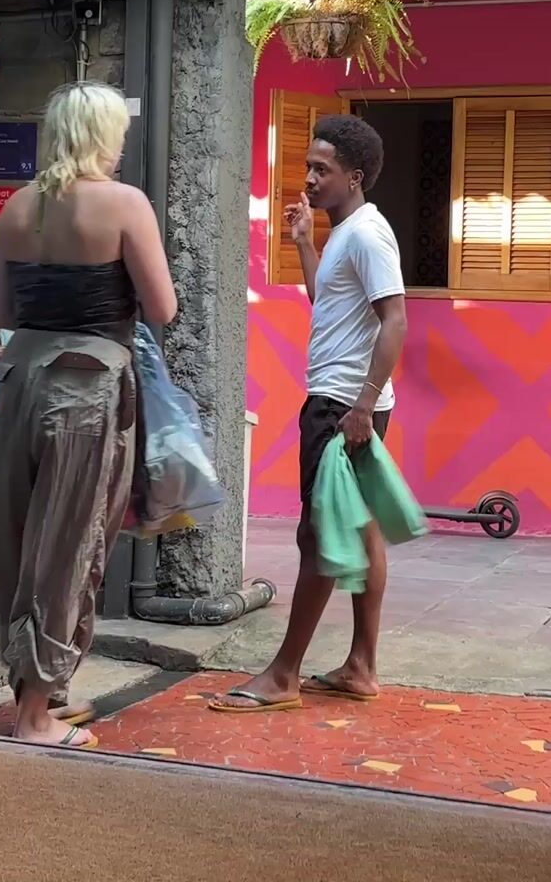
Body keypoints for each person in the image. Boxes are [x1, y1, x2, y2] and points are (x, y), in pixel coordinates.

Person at [0, 81, 177, 749]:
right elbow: (163, 307)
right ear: (103, 136)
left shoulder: (19, 207)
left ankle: (40, 693)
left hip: (19, 380)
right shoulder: (124, 204)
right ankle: (35, 717)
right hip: (87, 387)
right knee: (68, 543)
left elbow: (0, 312)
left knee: (18, 542)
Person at [211, 113, 406, 713]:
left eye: (322, 169)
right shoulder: (345, 232)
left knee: (317, 534)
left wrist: (362, 403)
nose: (310, 179)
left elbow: (395, 320)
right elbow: (330, 303)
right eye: (308, 167)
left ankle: (283, 674)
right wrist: (302, 244)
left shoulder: (368, 235)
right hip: (346, 402)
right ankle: (361, 667)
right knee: (360, 530)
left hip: (342, 406)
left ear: (356, 176)